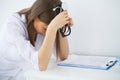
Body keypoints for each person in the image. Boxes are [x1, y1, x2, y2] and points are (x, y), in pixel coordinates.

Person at [0, 0, 73, 80]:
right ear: (35, 17)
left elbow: (63, 56)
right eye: (45, 29)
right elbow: (41, 65)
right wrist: (51, 29)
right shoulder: (13, 26)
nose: (46, 34)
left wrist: (61, 27)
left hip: (27, 74)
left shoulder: (39, 28)